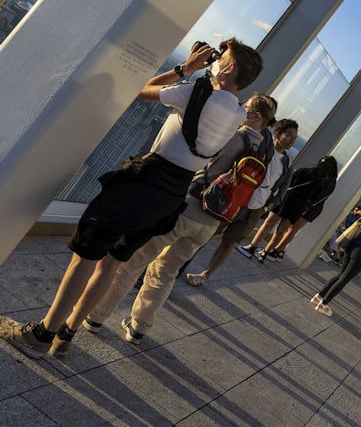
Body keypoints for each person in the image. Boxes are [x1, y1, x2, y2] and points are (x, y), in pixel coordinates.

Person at [0, 38, 263, 358]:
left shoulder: (195, 92)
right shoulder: (237, 113)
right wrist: (209, 76)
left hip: (145, 181)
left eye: (222, 57)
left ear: (229, 67)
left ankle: (42, 335)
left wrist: (186, 68)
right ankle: (67, 332)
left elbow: (141, 89)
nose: (216, 59)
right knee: (113, 260)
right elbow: (214, 104)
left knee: (85, 255)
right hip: (172, 194)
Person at [80, 94, 276, 345]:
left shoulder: (235, 139)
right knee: (166, 271)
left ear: (255, 116)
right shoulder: (263, 152)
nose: (240, 110)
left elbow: (202, 162)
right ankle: (139, 327)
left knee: (134, 261)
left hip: (189, 207)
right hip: (212, 222)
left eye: (244, 107)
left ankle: (96, 317)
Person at [184, 119, 297, 286]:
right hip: (235, 197)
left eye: (294, 138)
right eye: (289, 135)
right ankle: (181, 263)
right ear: (278, 134)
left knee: (230, 241)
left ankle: (205, 275)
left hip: (255, 208)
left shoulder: (287, 164)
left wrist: (269, 205)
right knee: (208, 233)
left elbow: (283, 188)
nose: (291, 140)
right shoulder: (263, 148)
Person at [238, 156, 338, 262]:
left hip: (287, 199)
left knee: (268, 223)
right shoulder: (324, 183)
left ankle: (252, 247)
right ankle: (265, 252)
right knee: (281, 231)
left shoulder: (304, 171)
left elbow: (289, 182)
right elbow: (316, 199)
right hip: (299, 207)